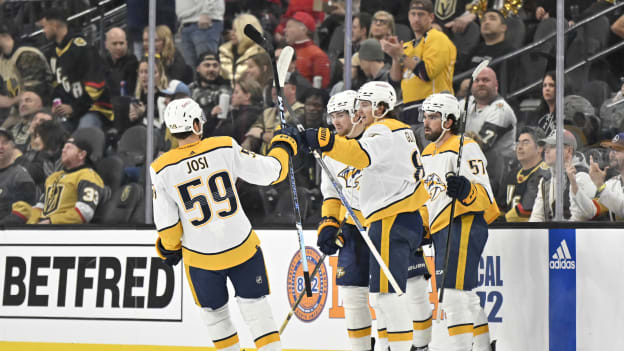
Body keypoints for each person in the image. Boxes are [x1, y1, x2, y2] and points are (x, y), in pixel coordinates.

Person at [150, 98, 301, 351]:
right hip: (241, 246)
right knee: (257, 311)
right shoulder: (223, 147)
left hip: (201, 259)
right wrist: (282, 145)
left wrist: (169, 248)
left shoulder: (161, 168)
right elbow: (272, 172)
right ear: (197, 124)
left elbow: (168, 228)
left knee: (216, 318)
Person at [302, 81, 430, 351]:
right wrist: (328, 224)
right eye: (333, 115)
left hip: (389, 219)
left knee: (393, 295)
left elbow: (361, 157)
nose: (340, 120)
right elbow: (333, 194)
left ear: (380, 108)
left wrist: (323, 141)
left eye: (347, 112)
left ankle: (414, 345)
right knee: (366, 296)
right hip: (363, 225)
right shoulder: (393, 132)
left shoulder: (379, 133)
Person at [420, 93, 499, 351]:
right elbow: (426, 198)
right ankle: (485, 347)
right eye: (425, 116)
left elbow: (485, 196)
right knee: (464, 296)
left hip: (463, 224)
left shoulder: (467, 146)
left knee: (452, 296)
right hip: (441, 230)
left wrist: (466, 191)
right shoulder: (427, 152)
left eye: (433, 117)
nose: (426, 122)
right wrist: (422, 227)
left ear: (449, 120)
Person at [382, 0, 456, 149]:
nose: (416, 19)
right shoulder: (408, 46)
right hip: (409, 113)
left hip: (434, 110)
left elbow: (426, 73)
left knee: (432, 160)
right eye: (413, 14)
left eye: (421, 14)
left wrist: (401, 56)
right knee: (414, 166)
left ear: (431, 17)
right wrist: (395, 55)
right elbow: (394, 81)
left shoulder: (437, 38)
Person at [42, 8, 113, 130]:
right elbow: (57, 86)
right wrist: (56, 104)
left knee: (82, 134)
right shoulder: (52, 53)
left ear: (54, 25)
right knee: (50, 132)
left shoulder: (82, 48)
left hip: (94, 109)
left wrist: (74, 107)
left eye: (45, 26)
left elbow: (95, 87)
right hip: (70, 113)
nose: (43, 31)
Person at [461, 67, 517, 206]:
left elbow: (480, 146)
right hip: (473, 169)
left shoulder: (501, 109)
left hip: (497, 174)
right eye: (477, 80)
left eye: (486, 80)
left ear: (496, 85)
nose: (480, 83)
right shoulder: (466, 103)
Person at [28, 132, 104, 224]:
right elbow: (40, 206)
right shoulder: (53, 177)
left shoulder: (88, 176)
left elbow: (84, 212)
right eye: (63, 147)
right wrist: (31, 224)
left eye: (69, 147)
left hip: (64, 231)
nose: (63, 150)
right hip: (42, 228)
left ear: (81, 154)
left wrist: (51, 222)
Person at [529, 130, 596, 222]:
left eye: (552, 146)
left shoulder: (581, 176)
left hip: (576, 235)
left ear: (569, 150)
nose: (546, 150)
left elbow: (581, 219)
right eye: (546, 146)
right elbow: (537, 216)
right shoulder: (545, 180)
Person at [242, 74, 304, 154]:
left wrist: (261, 134)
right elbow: (252, 132)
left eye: (279, 85)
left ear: (293, 89)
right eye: (273, 86)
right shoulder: (268, 112)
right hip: (263, 161)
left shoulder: (301, 111)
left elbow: (284, 136)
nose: (274, 89)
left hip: (287, 161)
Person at [573, 132, 624, 220]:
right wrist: (574, 185)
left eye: (617, 150)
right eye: (611, 149)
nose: (611, 154)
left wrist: (601, 187)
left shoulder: (605, 187)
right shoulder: (612, 184)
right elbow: (591, 211)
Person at [0, 22, 51, 110]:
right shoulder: (2, 60)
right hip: (20, 113)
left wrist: (9, 102)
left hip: (42, 110)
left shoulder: (26, 54)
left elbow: (33, 95)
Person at [505, 127, 550, 222]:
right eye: (518, 143)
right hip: (508, 233)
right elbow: (500, 209)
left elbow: (525, 210)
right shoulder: (511, 175)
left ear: (539, 148)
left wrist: (504, 223)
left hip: (534, 232)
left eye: (525, 143)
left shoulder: (545, 173)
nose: (519, 147)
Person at [284, 11, 331, 89]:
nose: (285, 30)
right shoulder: (286, 51)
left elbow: (320, 89)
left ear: (303, 29)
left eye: (289, 26)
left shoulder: (317, 54)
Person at [0, 128, 36, 224]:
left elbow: (21, 215)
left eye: (5, 142)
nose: (0, 146)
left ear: (13, 147)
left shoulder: (21, 177)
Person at [218, 13, 265, 87]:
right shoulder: (224, 51)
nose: (232, 33)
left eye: (235, 30)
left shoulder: (260, 54)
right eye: (232, 30)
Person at [176, 0, 225, 67]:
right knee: (189, 68)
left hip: (204, 20)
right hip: (186, 22)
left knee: (207, 65)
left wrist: (206, 12)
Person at [189, 52, 232, 122]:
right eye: (207, 65)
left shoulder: (225, 91)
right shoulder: (190, 88)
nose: (212, 69)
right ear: (198, 68)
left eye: (215, 66)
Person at [104, 27, 138, 97]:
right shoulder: (102, 62)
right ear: (106, 45)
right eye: (114, 44)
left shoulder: (133, 62)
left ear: (126, 44)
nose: (118, 47)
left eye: (121, 43)